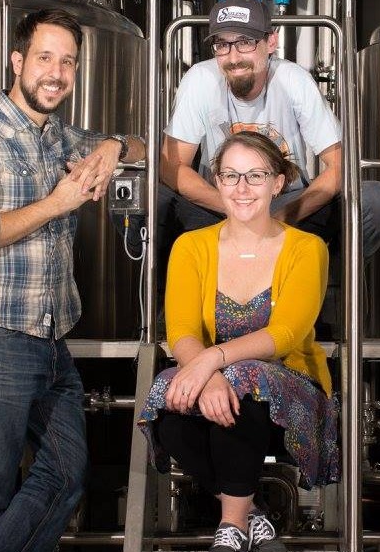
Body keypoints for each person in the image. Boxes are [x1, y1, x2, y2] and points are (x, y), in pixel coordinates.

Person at [0, 8, 146, 552]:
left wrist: (113, 146)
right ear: (17, 61)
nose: (56, 73)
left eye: (68, 63)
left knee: (68, 473)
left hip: (52, 337)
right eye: (45, 58)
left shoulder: (62, 138)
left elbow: (143, 148)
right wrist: (57, 203)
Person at [138, 131, 340, 552]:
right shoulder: (190, 246)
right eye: (230, 176)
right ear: (217, 181)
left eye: (255, 176)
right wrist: (209, 374)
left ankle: (230, 530)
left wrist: (211, 362)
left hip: (289, 389)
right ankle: (252, 516)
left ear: (277, 183)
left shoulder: (307, 248)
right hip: (215, 380)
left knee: (243, 380)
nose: (242, 188)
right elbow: (182, 331)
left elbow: (285, 334)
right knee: (169, 401)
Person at [161, 0, 380, 256]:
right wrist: (232, 205)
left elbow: (341, 165)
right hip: (219, 206)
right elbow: (171, 166)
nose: (233, 57)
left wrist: (283, 216)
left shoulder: (293, 79)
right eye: (222, 44)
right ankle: (177, 280)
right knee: (150, 201)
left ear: (271, 42)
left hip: (285, 203)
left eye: (245, 42)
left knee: (377, 201)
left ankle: (325, 276)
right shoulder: (201, 79)